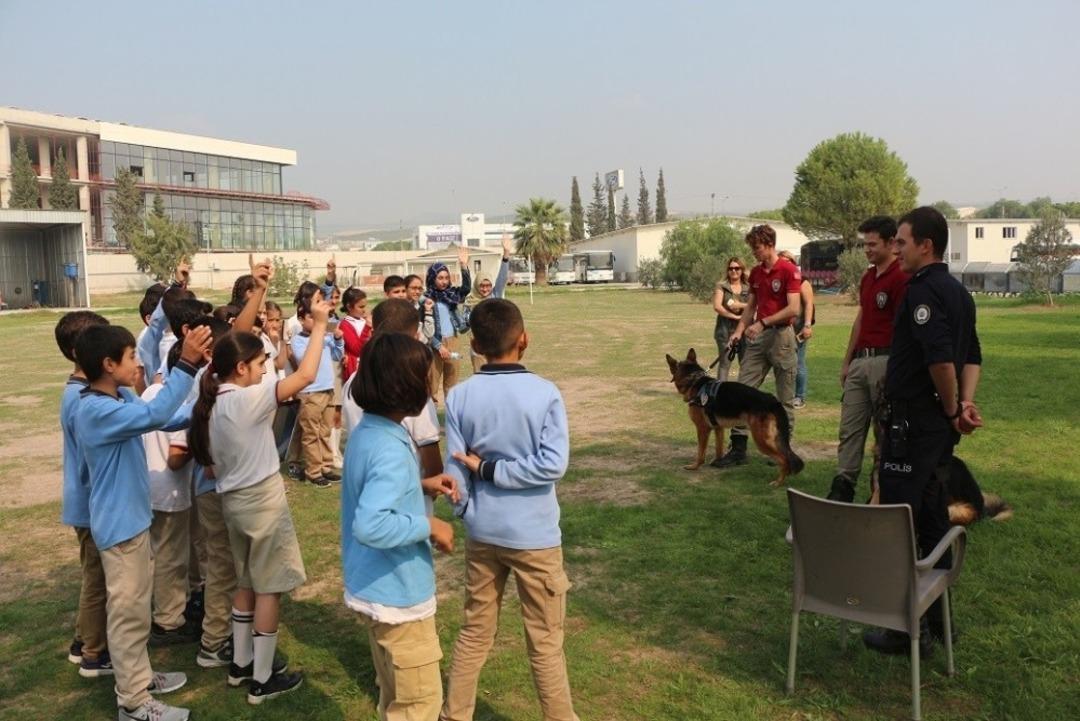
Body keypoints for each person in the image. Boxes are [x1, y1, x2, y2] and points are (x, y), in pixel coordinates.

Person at [187, 275, 334, 704]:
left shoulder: (213, 401)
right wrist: (321, 324)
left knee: (246, 581)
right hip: (261, 502)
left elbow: (235, 338)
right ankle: (263, 679)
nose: (262, 369)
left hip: (233, 502)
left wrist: (258, 295)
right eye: (257, 364)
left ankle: (241, 664)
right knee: (269, 587)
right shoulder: (250, 399)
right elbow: (305, 374)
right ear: (241, 368)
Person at [441, 298, 580, 721]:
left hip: (484, 533)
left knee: (474, 632)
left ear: (476, 346)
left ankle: (454, 714)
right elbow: (552, 464)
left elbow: (456, 469)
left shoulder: (459, 395)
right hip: (534, 536)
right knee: (545, 641)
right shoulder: (544, 393)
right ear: (524, 340)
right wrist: (491, 471)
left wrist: (470, 502)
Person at [74, 323, 212, 721]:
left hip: (132, 520)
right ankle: (133, 702)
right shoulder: (96, 410)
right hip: (119, 527)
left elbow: (164, 419)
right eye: (132, 357)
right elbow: (155, 411)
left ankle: (140, 677)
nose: (138, 365)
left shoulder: (117, 397)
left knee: (134, 608)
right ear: (107, 363)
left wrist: (209, 398)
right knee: (129, 613)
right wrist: (186, 364)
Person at [862, 206, 983, 656]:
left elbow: (941, 360)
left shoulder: (922, 293)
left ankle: (904, 630)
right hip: (937, 426)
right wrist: (963, 406)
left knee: (899, 521)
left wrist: (953, 409)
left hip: (915, 424)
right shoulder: (960, 293)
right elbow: (973, 355)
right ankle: (938, 623)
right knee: (932, 519)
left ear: (925, 245)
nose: (896, 248)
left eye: (902, 242)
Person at [341, 333, 458, 721]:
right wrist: (429, 525)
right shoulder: (390, 447)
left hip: (373, 588)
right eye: (425, 378)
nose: (430, 386)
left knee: (394, 697)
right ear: (406, 387)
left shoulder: (369, 432)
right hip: (399, 599)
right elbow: (371, 524)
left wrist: (419, 485)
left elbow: (370, 490)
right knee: (418, 705)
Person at [827, 216, 909, 502]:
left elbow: (904, 327)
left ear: (890, 243)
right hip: (861, 361)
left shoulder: (901, 276)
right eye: (865, 245)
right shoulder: (867, 277)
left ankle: (880, 491)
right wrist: (848, 361)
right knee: (850, 427)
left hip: (886, 362)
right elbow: (861, 319)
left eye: (872, 244)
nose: (867, 250)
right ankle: (843, 485)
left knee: (883, 431)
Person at [54, 310, 113, 678]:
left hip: (88, 504)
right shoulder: (81, 399)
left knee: (96, 577)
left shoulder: (79, 392)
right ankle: (94, 653)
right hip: (92, 506)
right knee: (98, 581)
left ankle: (82, 640)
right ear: (81, 350)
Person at [714, 225, 802, 468]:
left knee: (784, 398)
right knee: (742, 390)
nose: (754, 252)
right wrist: (739, 332)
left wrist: (763, 323)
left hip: (782, 336)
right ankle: (738, 448)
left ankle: (783, 450)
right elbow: (751, 305)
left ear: (770, 244)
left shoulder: (788, 270)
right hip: (757, 338)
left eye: (757, 247)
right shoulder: (756, 274)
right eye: (752, 247)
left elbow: (794, 308)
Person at [342, 299, 445, 488]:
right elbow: (433, 466)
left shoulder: (352, 382)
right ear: (415, 336)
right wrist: (429, 486)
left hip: (363, 484)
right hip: (409, 503)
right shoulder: (409, 384)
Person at [290, 301, 346, 487]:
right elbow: (302, 360)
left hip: (328, 389)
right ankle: (313, 471)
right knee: (311, 433)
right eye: (311, 317)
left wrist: (337, 339)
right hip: (310, 393)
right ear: (300, 319)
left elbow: (338, 356)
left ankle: (325, 467)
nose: (316, 321)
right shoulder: (298, 340)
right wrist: (319, 335)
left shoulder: (326, 337)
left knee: (325, 431)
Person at [426, 246, 472, 402]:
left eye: (446, 277)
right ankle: (429, 423)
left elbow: (466, 289)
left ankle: (449, 420)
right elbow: (426, 329)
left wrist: (464, 266)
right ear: (432, 278)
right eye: (440, 278)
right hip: (434, 344)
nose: (444, 281)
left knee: (452, 386)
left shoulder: (451, 295)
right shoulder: (426, 298)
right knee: (432, 385)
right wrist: (439, 345)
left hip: (453, 341)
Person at [468, 234, 512, 372]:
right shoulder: (470, 301)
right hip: (479, 349)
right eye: (482, 286)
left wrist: (506, 253)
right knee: (481, 379)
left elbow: (502, 277)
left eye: (488, 285)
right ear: (477, 285)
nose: (485, 289)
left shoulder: (495, 295)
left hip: (496, 346)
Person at [778, 250, 815, 409]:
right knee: (784, 364)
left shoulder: (802, 281)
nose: (784, 263)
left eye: (788, 261)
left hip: (799, 329)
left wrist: (807, 325)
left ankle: (800, 396)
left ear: (793, 263)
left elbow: (809, 304)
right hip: (783, 329)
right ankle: (787, 395)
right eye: (781, 261)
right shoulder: (780, 282)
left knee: (798, 362)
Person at [711, 256, 749, 382]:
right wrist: (735, 316)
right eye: (731, 268)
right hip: (724, 331)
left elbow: (756, 305)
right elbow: (717, 306)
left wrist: (741, 306)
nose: (734, 271)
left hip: (745, 330)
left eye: (737, 268)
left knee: (745, 365)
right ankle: (719, 393)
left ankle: (743, 393)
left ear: (742, 270)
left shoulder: (748, 287)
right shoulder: (721, 286)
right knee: (724, 364)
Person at [340, 287, 373, 383]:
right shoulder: (345, 324)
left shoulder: (364, 320)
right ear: (349, 307)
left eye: (365, 306)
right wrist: (367, 328)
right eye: (361, 307)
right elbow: (356, 350)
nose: (364, 310)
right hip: (356, 371)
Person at [404, 274, 437, 344]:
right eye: (414, 288)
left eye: (420, 289)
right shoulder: (398, 308)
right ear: (405, 288)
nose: (417, 292)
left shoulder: (422, 308)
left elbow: (429, 334)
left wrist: (428, 312)